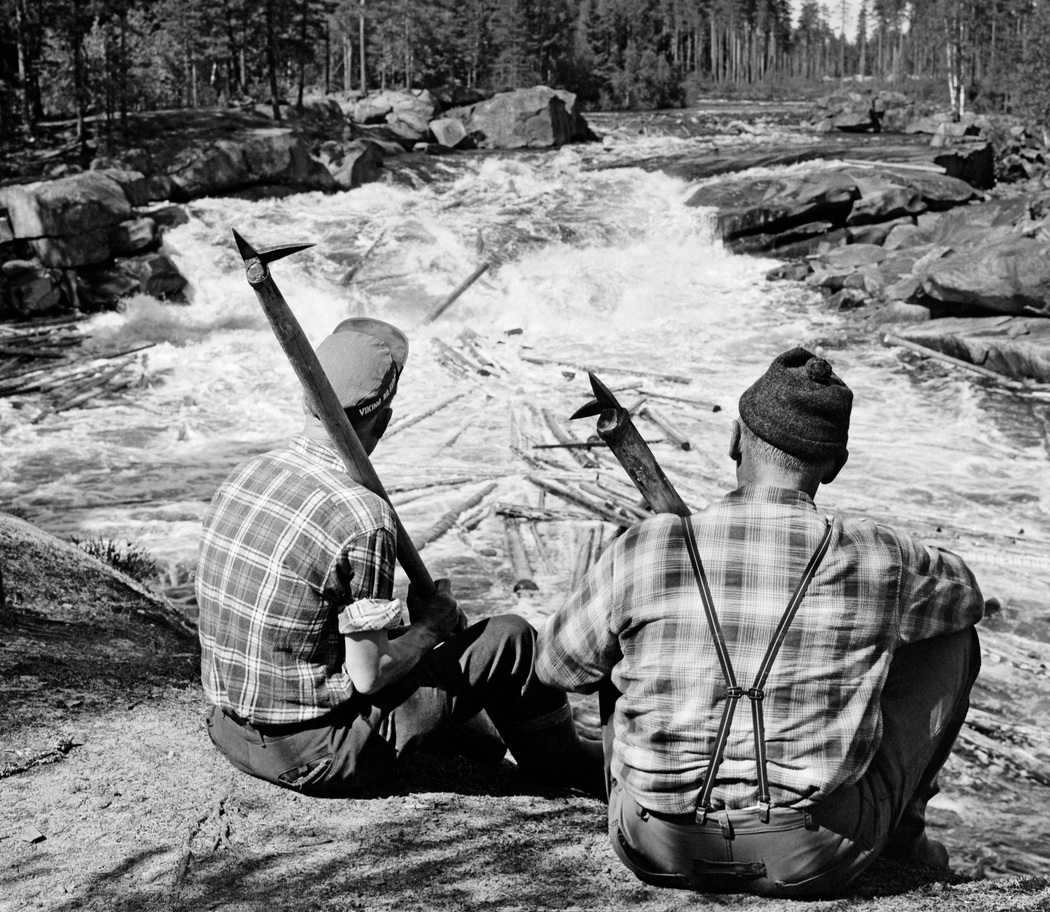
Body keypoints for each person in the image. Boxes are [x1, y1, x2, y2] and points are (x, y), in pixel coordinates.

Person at [537, 347, 983, 896]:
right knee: (954, 640)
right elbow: (966, 598)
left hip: (649, 843)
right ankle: (904, 838)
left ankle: (639, 783)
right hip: (812, 856)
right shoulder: (880, 554)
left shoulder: (648, 546)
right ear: (835, 467)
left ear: (733, 440)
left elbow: (556, 667)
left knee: (614, 632)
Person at [197, 316, 601, 798]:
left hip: (230, 730)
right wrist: (429, 628)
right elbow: (368, 677)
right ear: (384, 422)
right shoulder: (363, 515)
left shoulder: (245, 475)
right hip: (317, 756)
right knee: (509, 638)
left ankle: (484, 742)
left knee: (450, 688)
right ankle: (567, 766)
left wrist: (412, 635)